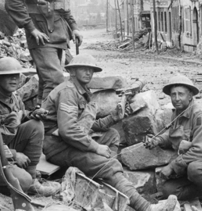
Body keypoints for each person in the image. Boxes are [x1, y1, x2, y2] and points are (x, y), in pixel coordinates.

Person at [42, 54, 178, 211]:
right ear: (72, 71)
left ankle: (107, 180)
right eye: (83, 69)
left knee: (112, 135)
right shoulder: (68, 92)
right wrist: (95, 147)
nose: (88, 73)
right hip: (57, 146)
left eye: (91, 70)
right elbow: (68, 130)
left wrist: (114, 117)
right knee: (109, 164)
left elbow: (86, 126)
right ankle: (146, 207)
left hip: (66, 141)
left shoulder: (81, 91)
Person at [5, 0, 82, 103]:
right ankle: (50, 121)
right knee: (55, 80)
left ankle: (41, 121)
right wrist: (30, 28)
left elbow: (63, 7)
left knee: (47, 82)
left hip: (59, 36)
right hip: (42, 38)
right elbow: (12, 0)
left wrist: (74, 27)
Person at [144, 75, 202, 211]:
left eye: (181, 94)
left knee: (195, 169)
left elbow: (200, 150)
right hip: (195, 161)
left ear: (190, 95)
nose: (177, 98)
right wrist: (157, 140)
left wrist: (173, 166)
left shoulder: (200, 116)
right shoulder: (178, 113)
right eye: (173, 95)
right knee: (169, 190)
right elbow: (174, 136)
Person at [0, 57, 60, 196]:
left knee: (36, 125)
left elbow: (20, 117)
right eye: (8, 76)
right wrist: (14, 154)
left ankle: (32, 178)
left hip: (7, 150)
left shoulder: (14, 97)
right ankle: (19, 182)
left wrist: (32, 115)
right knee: (23, 181)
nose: (14, 79)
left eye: (16, 76)